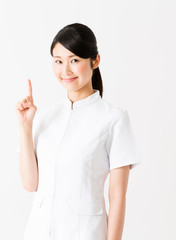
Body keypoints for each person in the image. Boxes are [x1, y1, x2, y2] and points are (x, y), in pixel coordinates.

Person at [15, 23, 141, 240]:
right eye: (58, 61)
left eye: (74, 60)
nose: (65, 71)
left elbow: (117, 196)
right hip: (37, 232)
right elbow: (30, 184)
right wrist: (26, 128)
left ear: (95, 61)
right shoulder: (45, 117)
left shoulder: (114, 119)